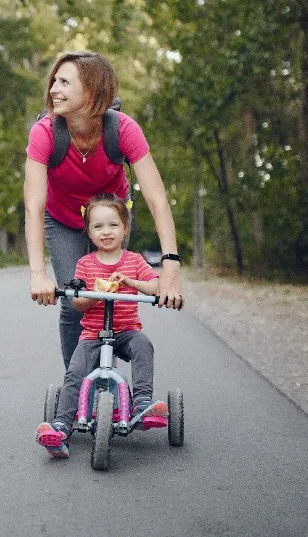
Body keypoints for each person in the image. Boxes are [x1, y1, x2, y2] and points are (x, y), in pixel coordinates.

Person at [24, 51, 183, 373]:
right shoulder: (44, 133)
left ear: (93, 91)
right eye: (54, 80)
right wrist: (38, 273)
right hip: (63, 219)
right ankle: (78, 386)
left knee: (111, 296)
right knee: (74, 302)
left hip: (110, 217)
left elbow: (157, 199)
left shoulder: (123, 130)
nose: (54, 89)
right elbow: (34, 205)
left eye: (65, 82)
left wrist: (170, 267)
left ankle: (110, 371)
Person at [35, 194, 171, 458]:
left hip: (126, 330)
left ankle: (142, 402)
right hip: (93, 334)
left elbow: (155, 285)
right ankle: (62, 425)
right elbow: (77, 303)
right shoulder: (85, 264)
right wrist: (90, 293)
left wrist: (131, 283)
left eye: (112, 225)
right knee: (75, 371)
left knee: (143, 345)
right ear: (88, 231)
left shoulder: (134, 261)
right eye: (98, 227)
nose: (106, 232)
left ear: (125, 228)